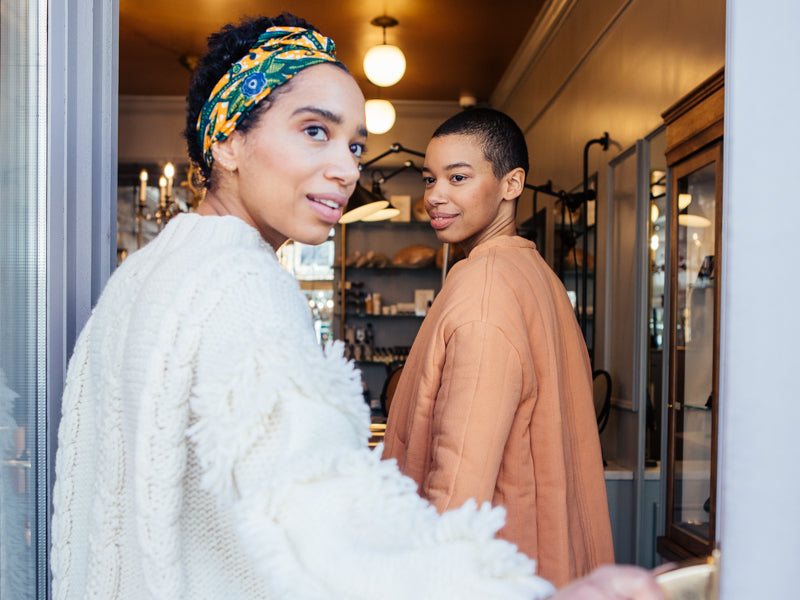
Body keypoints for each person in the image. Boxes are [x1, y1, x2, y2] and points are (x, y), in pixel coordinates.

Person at [50, 13, 662, 600]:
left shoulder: (142, 279)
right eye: (315, 130)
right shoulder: (241, 285)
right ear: (228, 140)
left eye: (356, 147)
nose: (345, 169)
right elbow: (321, 523)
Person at [382, 108, 615, 588]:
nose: (435, 196)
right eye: (430, 179)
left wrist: (422, 581)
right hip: (540, 558)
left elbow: (460, 477)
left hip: (490, 569)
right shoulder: (536, 275)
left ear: (511, 185)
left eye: (458, 177)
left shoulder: (484, 291)